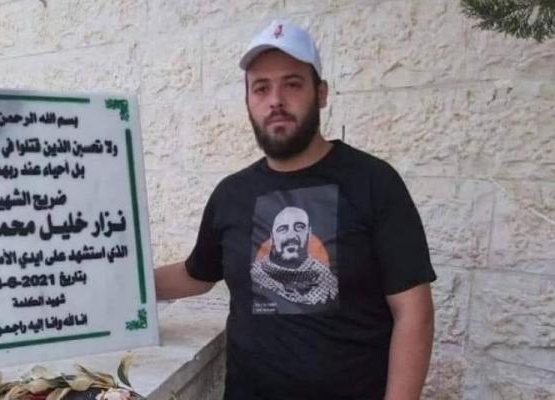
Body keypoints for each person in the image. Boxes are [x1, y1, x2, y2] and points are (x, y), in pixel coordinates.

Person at [154, 19, 436, 400]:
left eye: (292, 84)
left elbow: (414, 313)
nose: (275, 100)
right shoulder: (231, 195)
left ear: (321, 93)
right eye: (261, 88)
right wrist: (122, 285)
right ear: (248, 101)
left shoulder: (373, 182)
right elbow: (196, 274)